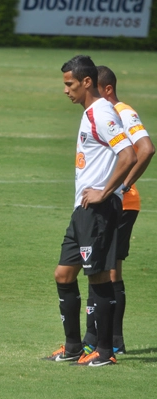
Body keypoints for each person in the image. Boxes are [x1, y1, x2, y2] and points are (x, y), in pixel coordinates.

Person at [44, 55, 136, 366]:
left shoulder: (102, 113)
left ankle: (106, 351)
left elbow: (129, 154)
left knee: (97, 277)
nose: (65, 90)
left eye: (69, 84)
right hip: (81, 210)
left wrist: (106, 191)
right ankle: (73, 346)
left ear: (87, 83)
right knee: (63, 274)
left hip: (97, 210)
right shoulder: (89, 113)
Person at [81, 66, 155, 355]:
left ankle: (109, 342)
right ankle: (106, 341)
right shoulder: (103, 113)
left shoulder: (121, 111)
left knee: (106, 271)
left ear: (107, 89)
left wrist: (120, 187)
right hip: (112, 201)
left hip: (119, 202)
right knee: (103, 270)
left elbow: (146, 149)